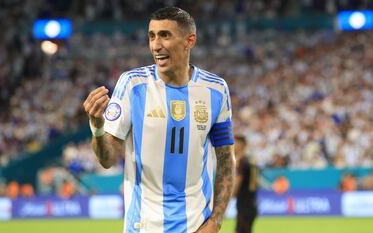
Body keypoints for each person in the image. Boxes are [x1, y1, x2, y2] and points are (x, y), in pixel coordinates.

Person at [83, 6, 235, 233]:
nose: (156, 45)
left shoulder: (215, 89)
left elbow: (225, 160)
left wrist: (216, 221)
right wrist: (97, 126)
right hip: (143, 226)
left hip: (196, 226)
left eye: (165, 35)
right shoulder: (132, 85)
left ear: (189, 41)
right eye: (152, 36)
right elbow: (108, 159)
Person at [232, 135, 259, 233]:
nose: (233, 146)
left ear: (241, 145)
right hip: (253, 202)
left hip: (244, 203)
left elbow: (239, 179)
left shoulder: (241, 161)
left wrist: (231, 195)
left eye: (235, 143)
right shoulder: (252, 160)